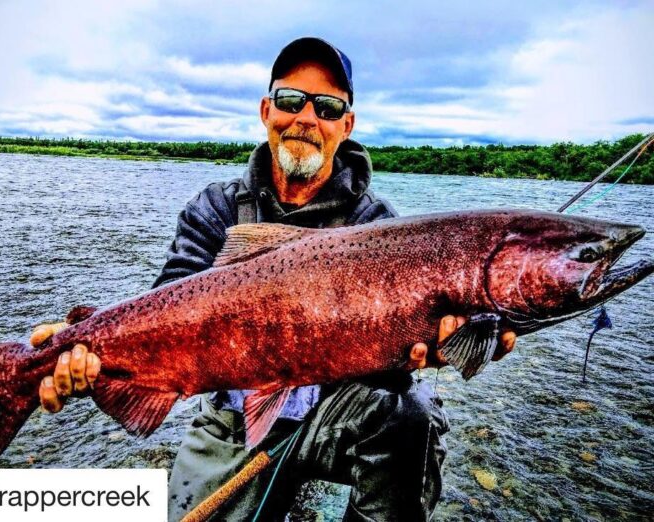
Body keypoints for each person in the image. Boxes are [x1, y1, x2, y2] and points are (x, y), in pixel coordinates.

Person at [33, 37, 516, 521]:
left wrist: (427, 353)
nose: (306, 117)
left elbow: (387, 371)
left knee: (415, 415)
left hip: (334, 410)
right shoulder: (216, 208)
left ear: (346, 126)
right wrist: (83, 344)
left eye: (327, 107)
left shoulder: (377, 226)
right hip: (235, 416)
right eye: (291, 100)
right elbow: (166, 303)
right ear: (266, 110)